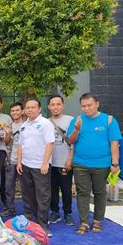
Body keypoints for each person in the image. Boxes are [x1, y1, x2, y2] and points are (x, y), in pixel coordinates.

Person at [67, 93, 121, 235]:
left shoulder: (109, 120)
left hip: (102, 164)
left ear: (97, 104)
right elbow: (70, 141)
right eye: (83, 106)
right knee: (82, 193)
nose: (86, 108)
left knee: (99, 192)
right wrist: (76, 129)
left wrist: (114, 164)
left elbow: (114, 143)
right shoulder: (77, 120)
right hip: (80, 164)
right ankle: (83, 222)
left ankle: (97, 220)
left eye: (89, 105)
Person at [16, 98, 55, 237]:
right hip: (25, 165)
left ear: (39, 109)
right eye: (28, 108)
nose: (30, 110)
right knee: (27, 194)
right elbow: (20, 145)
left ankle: (43, 225)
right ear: (25, 110)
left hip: (40, 166)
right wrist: (19, 162)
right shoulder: (24, 125)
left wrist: (45, 163)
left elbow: (50, 143)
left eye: (33, 107)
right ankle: (30, 220)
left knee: (42, 195)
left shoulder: (45, 124)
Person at [48, 95, 75, 226]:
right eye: (52, 104)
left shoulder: (71, 120)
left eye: (58, 104)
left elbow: (74, 142)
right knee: (52, 190)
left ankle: (68, 213)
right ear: (49, 107)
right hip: (50, 163)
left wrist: (70, 159)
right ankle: (54, 212)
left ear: (63, 105)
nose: (55, 107)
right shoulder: (46, 122)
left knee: (66, 190)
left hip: (65, 162)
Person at [1, 102, 24, 217]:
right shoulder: (9, 125)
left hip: (24, 162)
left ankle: (29, 211)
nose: (15, 112)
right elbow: (6, 143)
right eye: (13, 111)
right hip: (10, 160)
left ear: (22, 111)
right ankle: (10, 209)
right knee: (9, 187)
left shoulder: (27, 125)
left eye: (17, 110)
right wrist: (7, 133)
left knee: (26, 188)